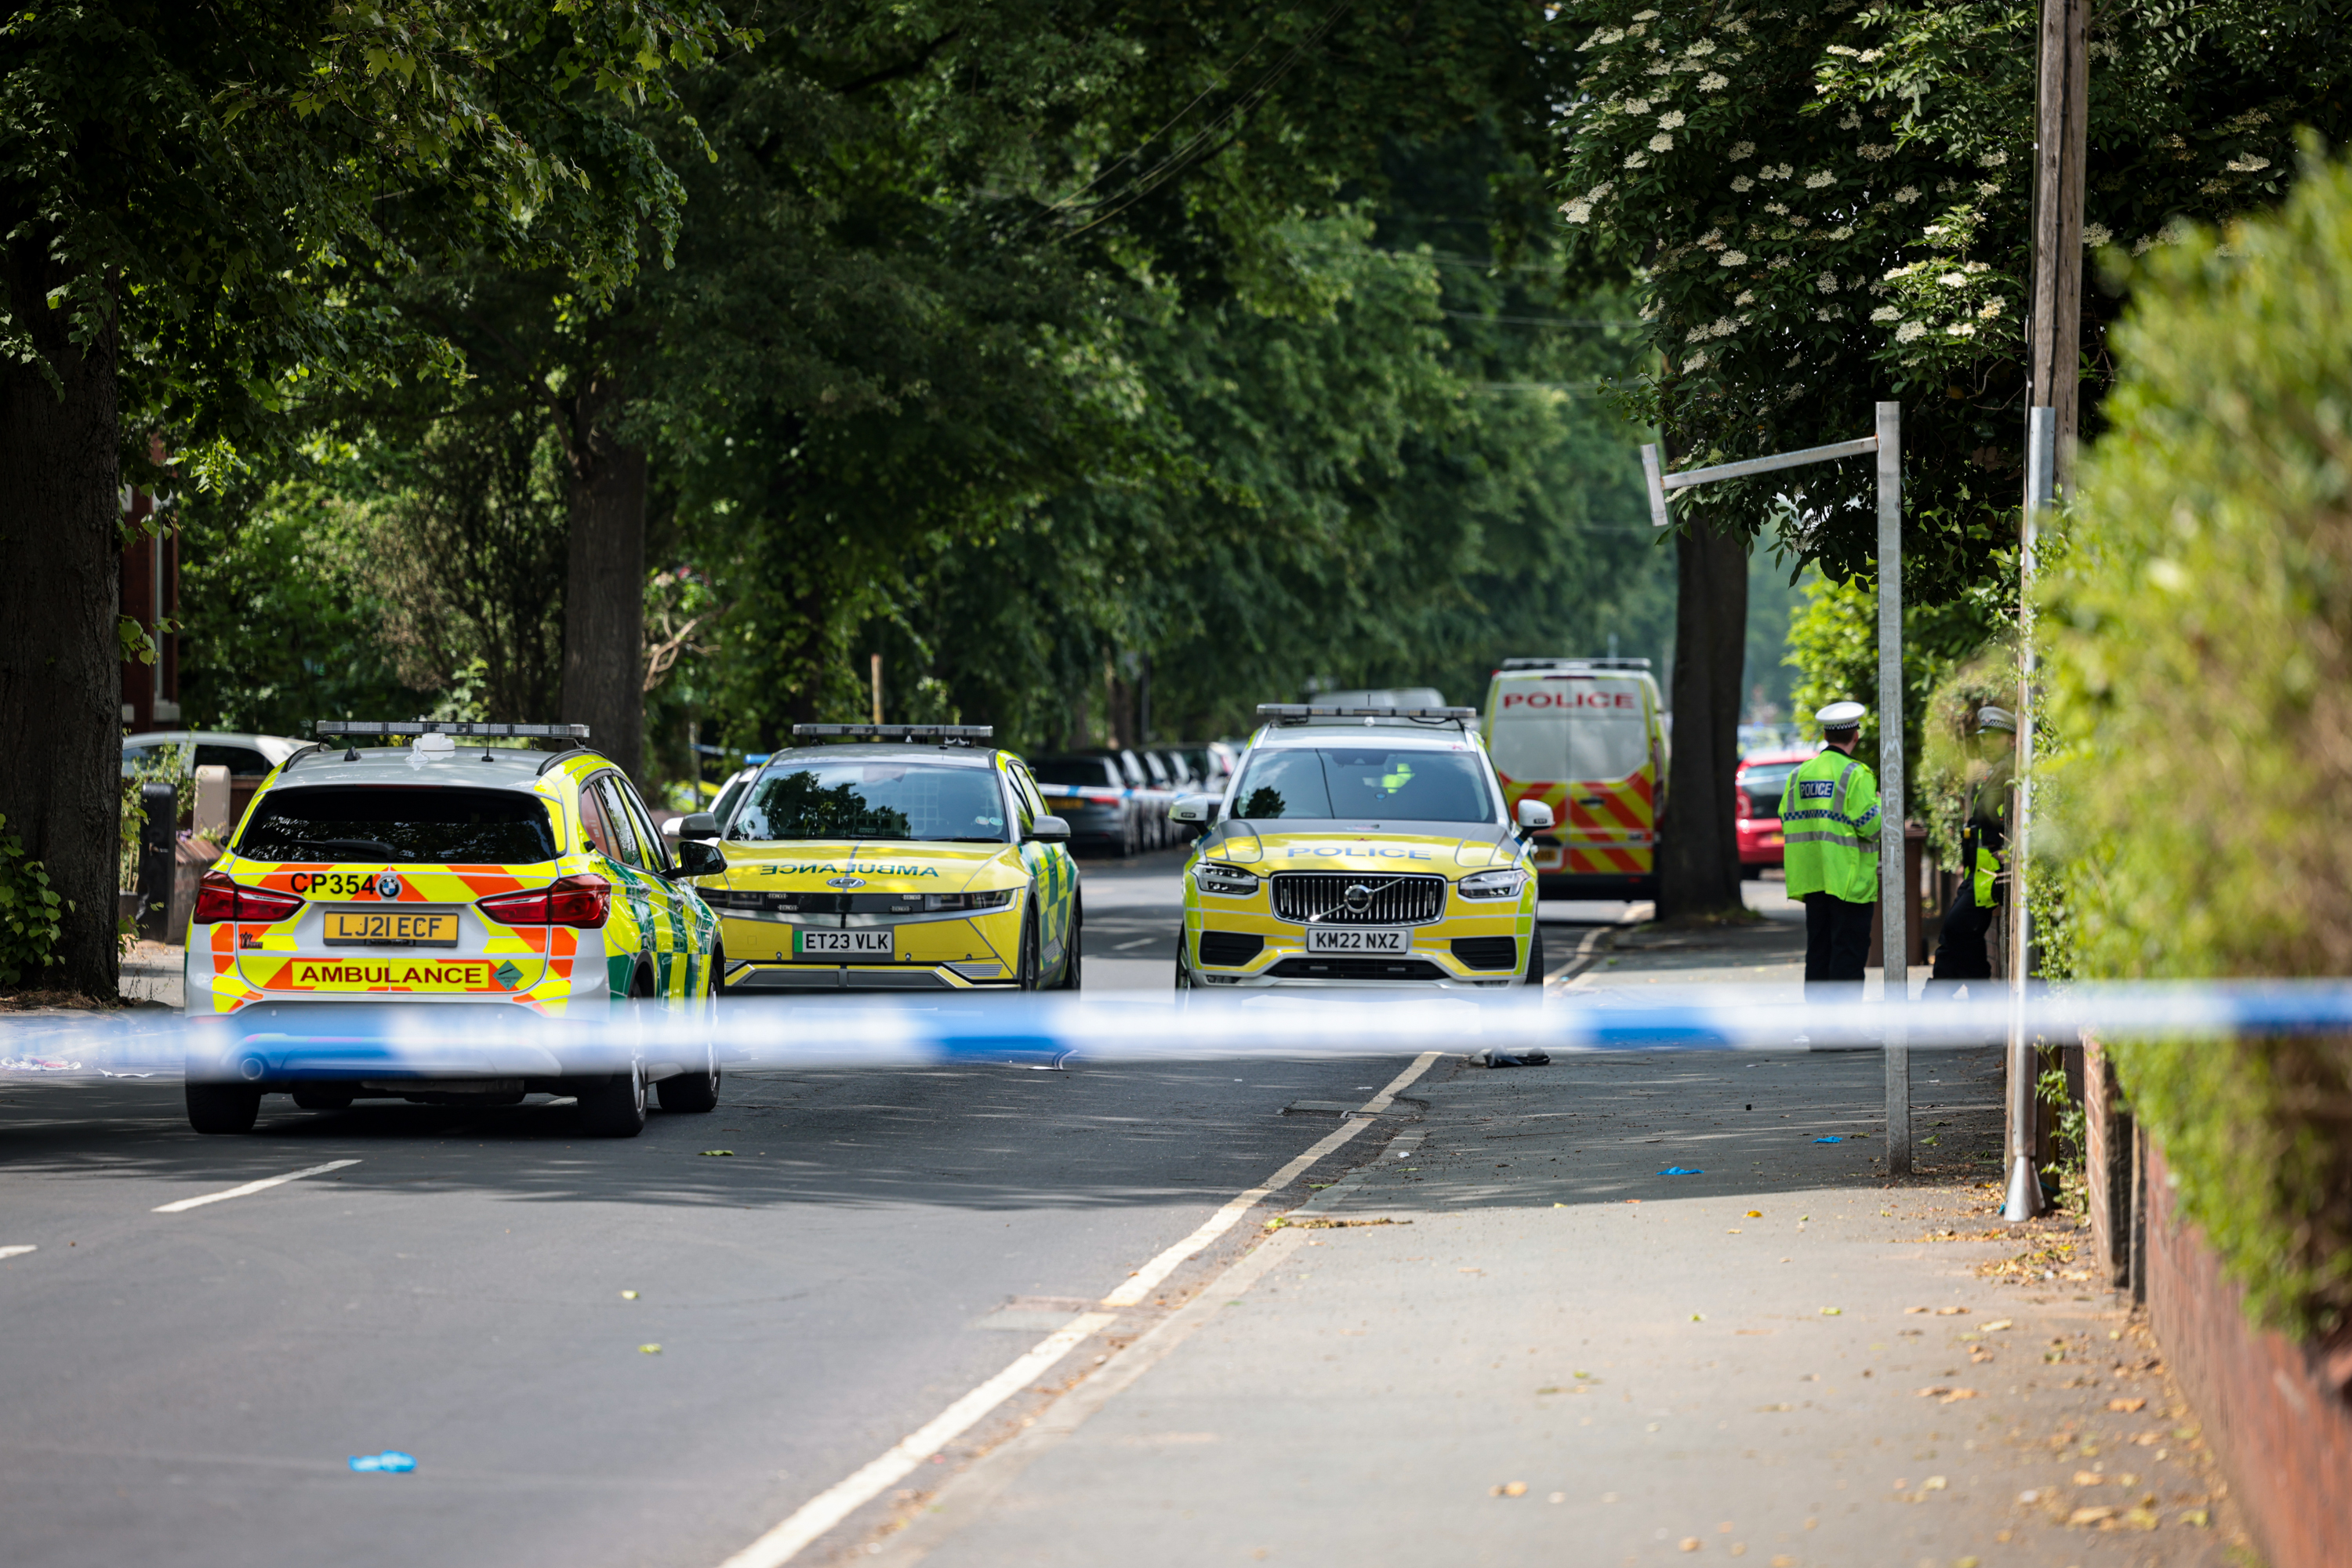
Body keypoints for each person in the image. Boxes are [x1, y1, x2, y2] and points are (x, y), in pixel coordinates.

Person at [1778, 701, 1879, 997]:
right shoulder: (1856, 774)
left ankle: (1821, 1034)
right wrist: (1881, 805)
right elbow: (1872, 827)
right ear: (1855, 736)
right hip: (1849, 881)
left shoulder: (1799, 775)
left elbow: (1786, 815)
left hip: (1813, 880)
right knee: (1847, 955)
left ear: (1825, 735)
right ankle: (1844, 1035)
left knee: (1818, 954)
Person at [1925, 705, 2016, 999]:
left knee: (1955, 931)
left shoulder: (2008, 770)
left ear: (2012, 740)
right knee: (1970, 942)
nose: (1985, 742)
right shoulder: (1997, 770)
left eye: (1994, 736)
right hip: (1980, 875)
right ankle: (1984, 1008)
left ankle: (1934, 1002)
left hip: (1990, 877)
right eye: (1984, 737)